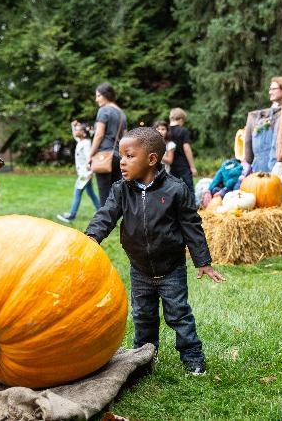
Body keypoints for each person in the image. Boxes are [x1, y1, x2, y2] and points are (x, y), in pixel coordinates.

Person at [85, 127, 225, 376]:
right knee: (143, 317)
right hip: (140, 270)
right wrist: (92, 237)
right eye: (121, 156)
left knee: (179, 315)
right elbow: (106, 215)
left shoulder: (176, 190)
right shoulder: (121, 190)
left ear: (151, 159)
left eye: (129, 156)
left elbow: (192, 227)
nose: (122, 162)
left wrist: (203, 261)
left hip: (171, 269)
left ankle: (192, 356)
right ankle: (144, 357)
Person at [241, 76, 282, 199]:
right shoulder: (261, 116)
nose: (270, 92)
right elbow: (248, 143)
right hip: (260, 167)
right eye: (270, 89)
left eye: (274, 89)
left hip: (281, 165)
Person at [87, 82, 127, 206]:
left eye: (98, 96)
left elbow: (99, 135)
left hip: (104, 155)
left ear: (106, 95)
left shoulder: (104, 111)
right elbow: (125, 138)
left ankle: (103, 224)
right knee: (115, 192)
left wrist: (90, 155)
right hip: (117, 156)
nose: (96, 99)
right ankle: (117, 219)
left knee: (104, 193)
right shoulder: (122, 114)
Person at [57, 121, 100, 222]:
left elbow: (90, 158)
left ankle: (72, 215)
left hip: (85, 173)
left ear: (83, 133)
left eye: (78, 129)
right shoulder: (81, 141)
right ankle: (102, 213)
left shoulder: (86, 144)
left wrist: (90, 173)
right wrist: (73, 126)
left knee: (77, 191)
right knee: (91, 193)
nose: (76, 131)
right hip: (84, 173)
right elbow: (75, 135)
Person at [168, 107, 197, 194]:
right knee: (189, 188)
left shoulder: (166, 131)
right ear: (181, 119)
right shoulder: (183, 131)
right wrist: (192, 167)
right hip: (182, 163)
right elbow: (187, 149)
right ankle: (191, 207)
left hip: (170, 164)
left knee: (173, 188)